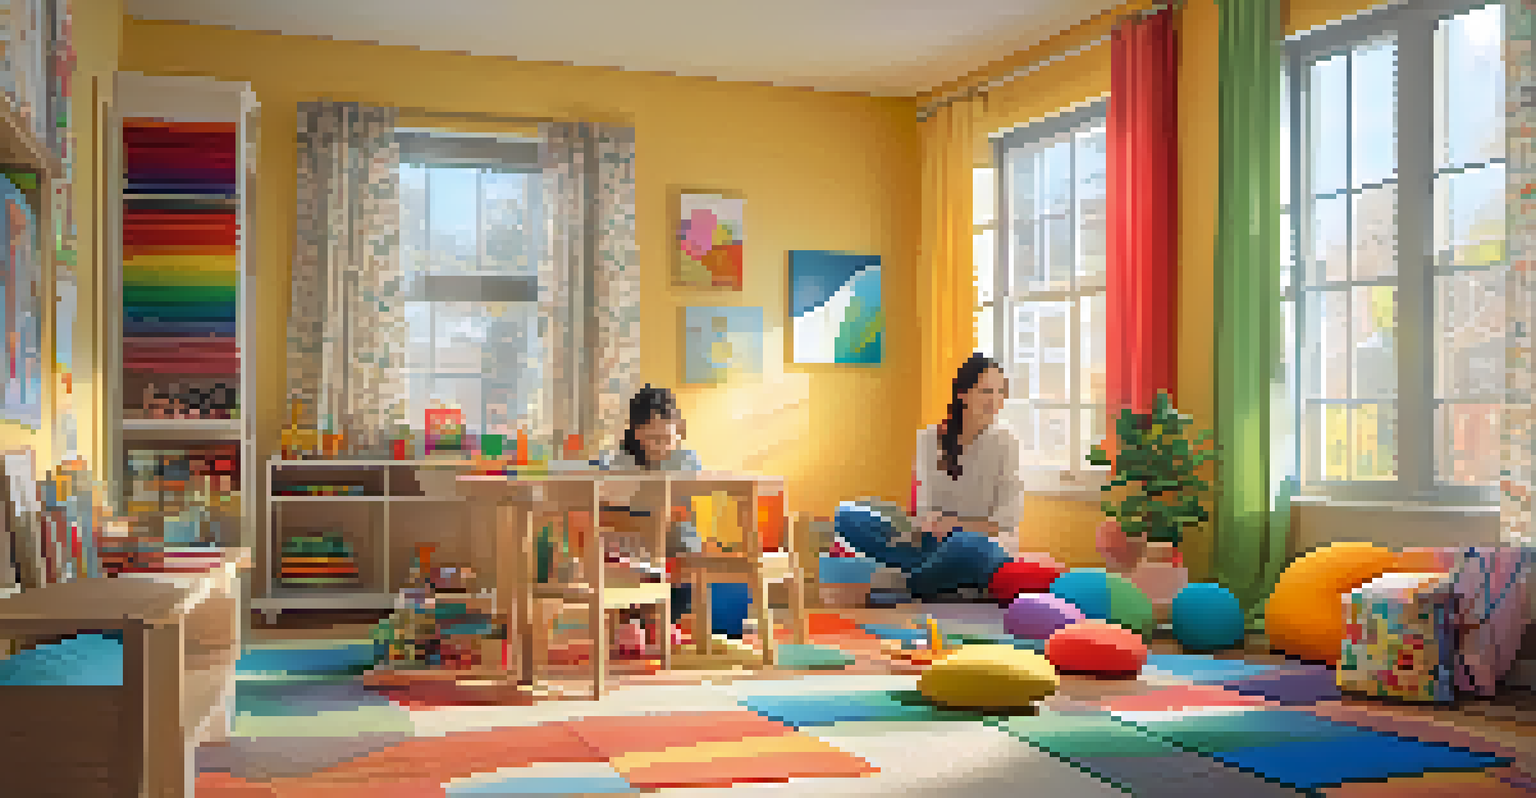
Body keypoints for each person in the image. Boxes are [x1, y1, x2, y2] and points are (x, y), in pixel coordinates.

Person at [836, 353, 1022, 600]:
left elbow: (1006, 521)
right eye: (987, 391)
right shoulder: (928, 439)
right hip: (932, 543)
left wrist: (955, 525)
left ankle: (909, 581)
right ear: (962, 394)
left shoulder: (1006, 442)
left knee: (967, 546)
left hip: (982, 544)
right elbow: (923, 506)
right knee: (849, 515)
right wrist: (923, 524)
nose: (995, 400)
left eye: (1000, 392)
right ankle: (934, 578)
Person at [597, 385, 703, 634]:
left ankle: (664, 622)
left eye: (669, 438)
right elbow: (610, 505)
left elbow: (688, 497)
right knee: (622, 561)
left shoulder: (684, 458)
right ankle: (632, 622)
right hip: (634, 539)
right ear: (636, 434)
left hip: (674, 537)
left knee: (686, 558)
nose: (662, 446)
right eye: (653, 439)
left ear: (679, 433)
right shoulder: (623, 461)